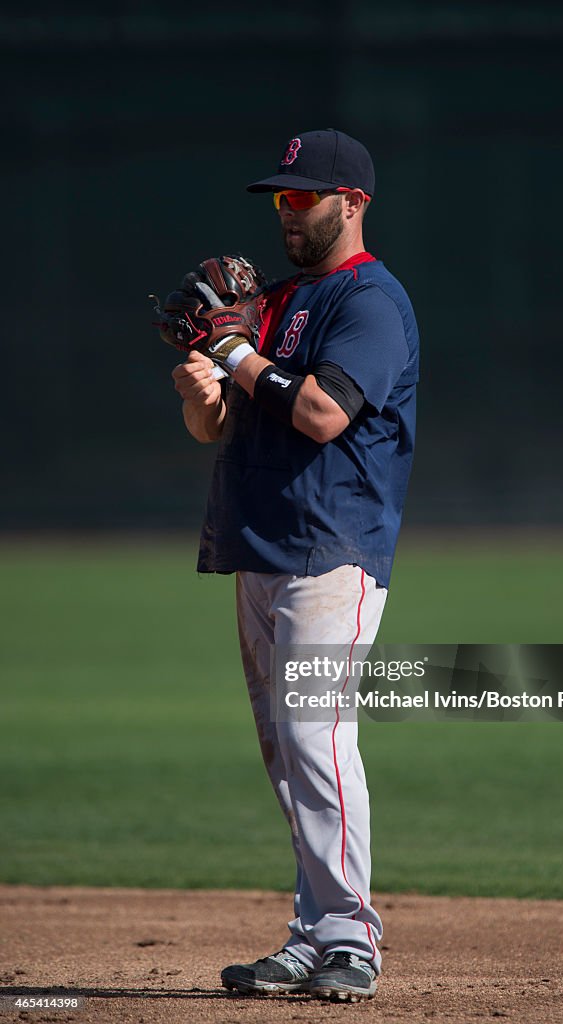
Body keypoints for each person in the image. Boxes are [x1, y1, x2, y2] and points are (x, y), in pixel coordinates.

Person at [171, 128, 419, 1002]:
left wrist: (238, 355)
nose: (288, 210)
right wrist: (205, 393)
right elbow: (221, 425)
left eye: (302, 196)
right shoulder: (274, 303)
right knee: (286, 752)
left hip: (333, 552)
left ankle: (351, 937)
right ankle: (314, 934)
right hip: (259, 546)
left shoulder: (373, 304)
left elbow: (320, 414)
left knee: (317, 738)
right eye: (280, 197)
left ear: (350, 204)